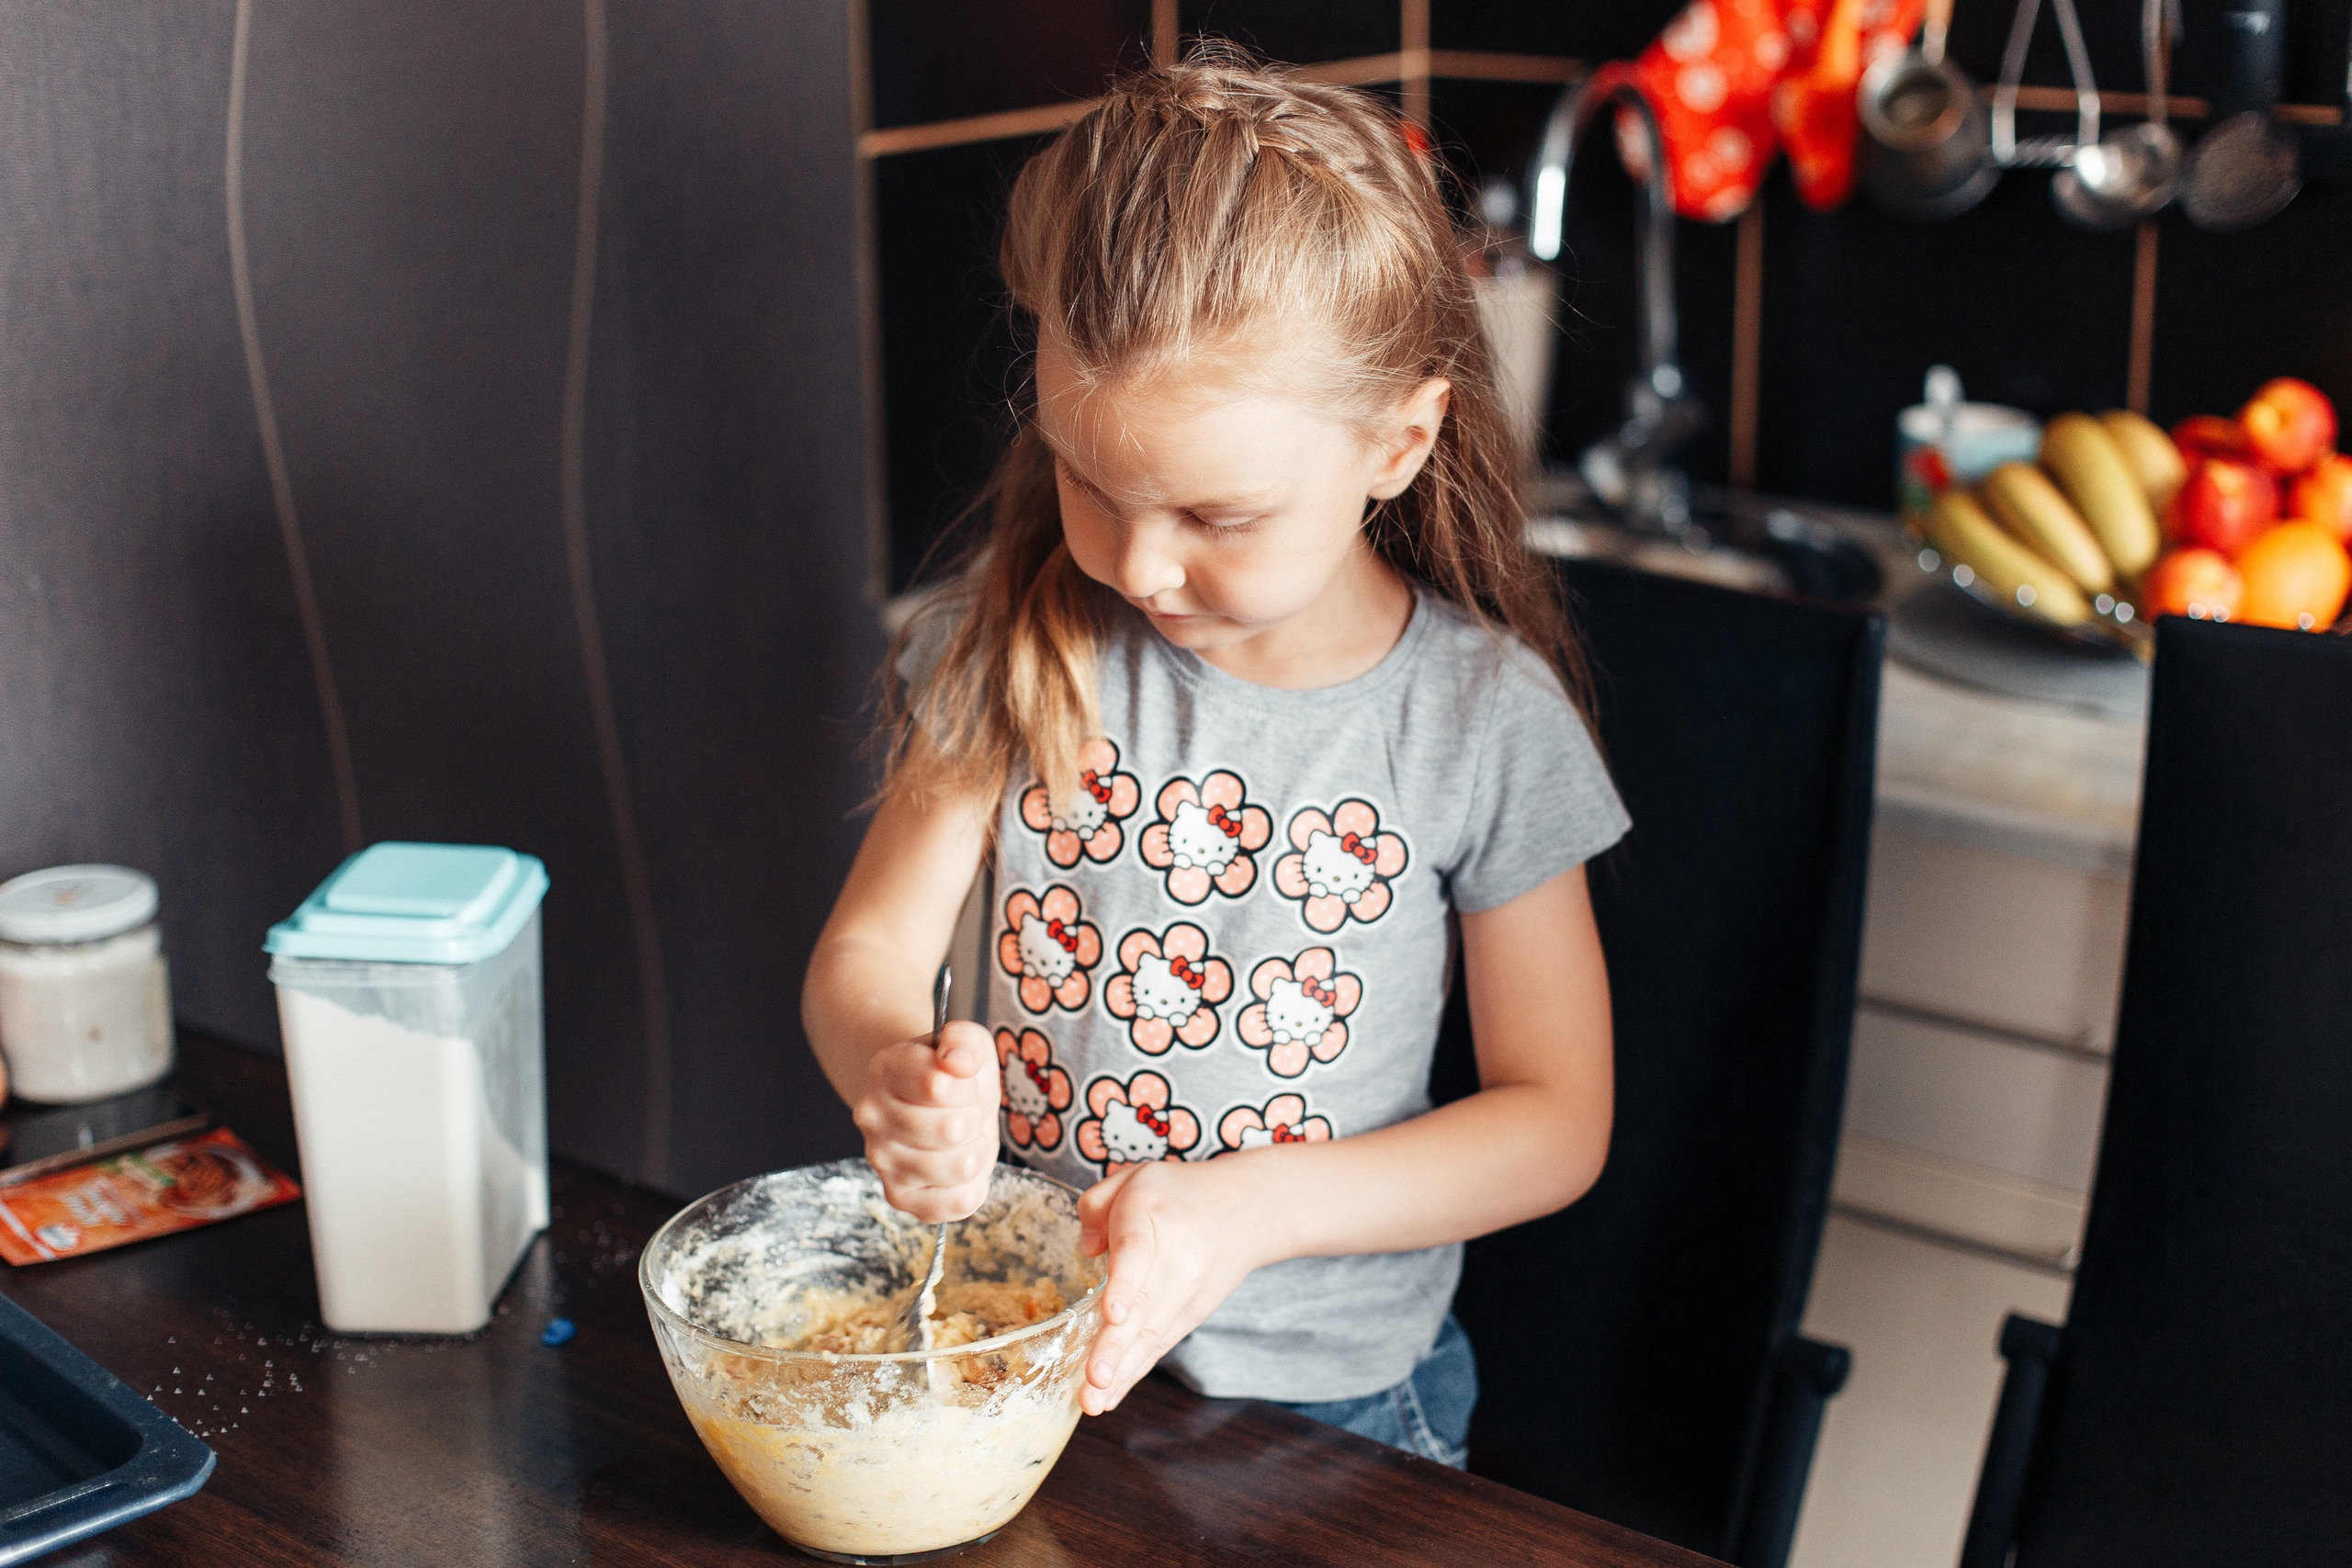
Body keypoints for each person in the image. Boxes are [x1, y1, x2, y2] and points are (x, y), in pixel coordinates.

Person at [802, 47, 1624, 1469]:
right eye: (1087, 479)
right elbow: (865, 960)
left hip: (1340, 1414)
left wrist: (1244, 1209)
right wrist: (894, 1072)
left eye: (1218, 513)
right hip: (1022, 1357)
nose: (1138, 561)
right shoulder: (1008, 646)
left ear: (1398, 440)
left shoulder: (1479, 721)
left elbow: (1555, 1121)